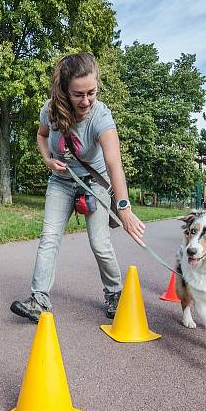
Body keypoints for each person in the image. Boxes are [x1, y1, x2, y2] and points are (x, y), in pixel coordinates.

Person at [10, 53, 145, 322]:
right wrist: (48, 160)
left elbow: (114, 163)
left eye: (91, 93)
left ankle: (115, 293)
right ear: (64, 90)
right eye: (77, 94)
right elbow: (41, 135)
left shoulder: (100, 116)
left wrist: (124, 208)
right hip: (60, 182)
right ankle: (39, 300)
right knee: (49, 237)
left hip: (93, 183)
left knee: (99, 243)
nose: (85, 101)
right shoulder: (50, 109)